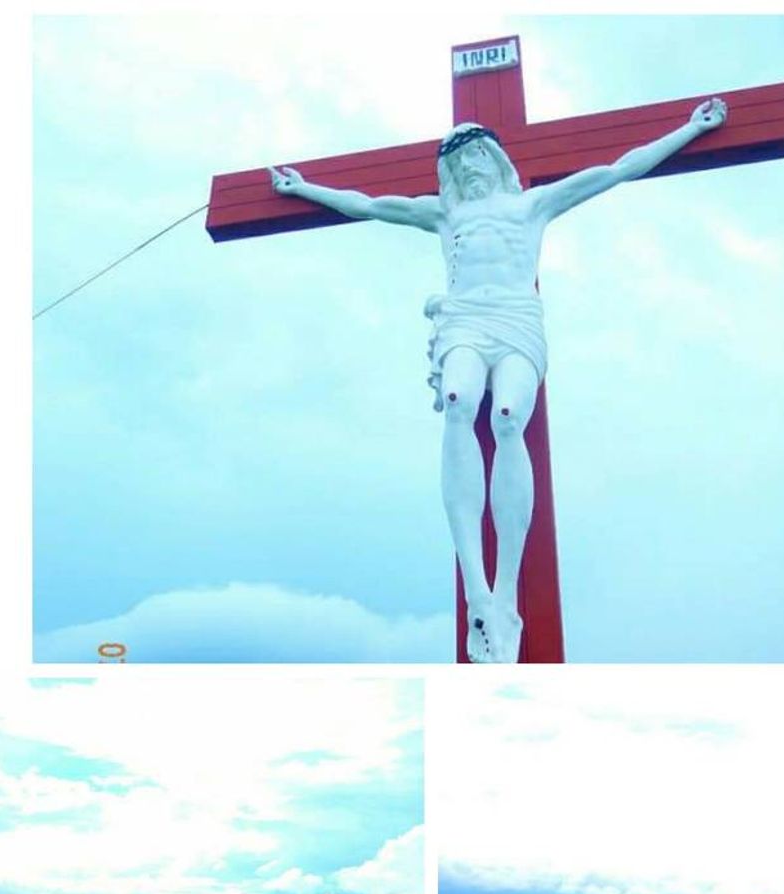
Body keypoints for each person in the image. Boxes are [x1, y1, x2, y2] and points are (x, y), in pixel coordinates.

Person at [269, 98, 727, 663]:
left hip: (516, 320)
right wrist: (303, 188)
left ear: (495, 159)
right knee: (459, 402)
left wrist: (689, 129)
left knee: (507, 419)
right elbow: (367, 205)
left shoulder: (532, 205)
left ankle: (505, 588)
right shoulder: (445, 215)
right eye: (459, 165)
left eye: (477, 158)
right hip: (464, 319)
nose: (469, 170)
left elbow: (618, 169)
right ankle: (477, 591)